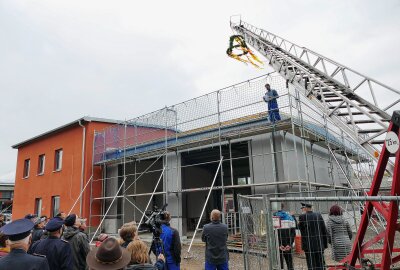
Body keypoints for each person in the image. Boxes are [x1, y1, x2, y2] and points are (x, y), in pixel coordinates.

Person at [298, 202, 328, 270]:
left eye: (302, 208)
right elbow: (324, 230)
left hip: (308, 245)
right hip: (319, 244)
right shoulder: (318, 215)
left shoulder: (302, 217)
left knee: (311, 264)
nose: (302, 210)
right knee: (320, 263)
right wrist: (324, 244)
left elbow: (300, 228)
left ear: (305, 208)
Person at [273, 204, 296, 270]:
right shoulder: (290, 217)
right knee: (289, 263)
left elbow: (273, 233)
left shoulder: (273, 218)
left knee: (279, 263)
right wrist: (289, 244)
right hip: (287, 243)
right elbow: (293, 233)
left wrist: (279, 244)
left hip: (278, 244)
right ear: (283, 207)